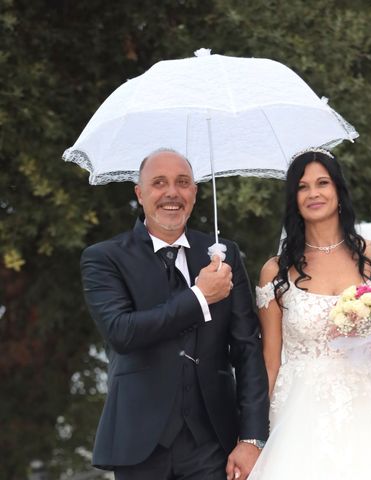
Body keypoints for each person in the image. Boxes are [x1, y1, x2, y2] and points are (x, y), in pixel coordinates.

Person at [250, 148, 371, 479]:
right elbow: (270, 360)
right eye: (302, 187)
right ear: (293, 199)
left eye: (322, 183)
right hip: (299, 416)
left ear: (338, 192)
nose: (313, 193)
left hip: (368, 405)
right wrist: (255, 433)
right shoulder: (275, 271)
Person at [80, 149, 269, 480]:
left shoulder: (224, 255)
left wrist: (252, 437)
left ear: (195, 193)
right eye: (159, 183)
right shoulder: (104, 258)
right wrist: (200, 297)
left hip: (213, 442)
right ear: (140, 194)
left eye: (183, 183)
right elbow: (123, 332)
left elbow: (247, 349)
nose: (172, 193)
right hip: (138, 442)